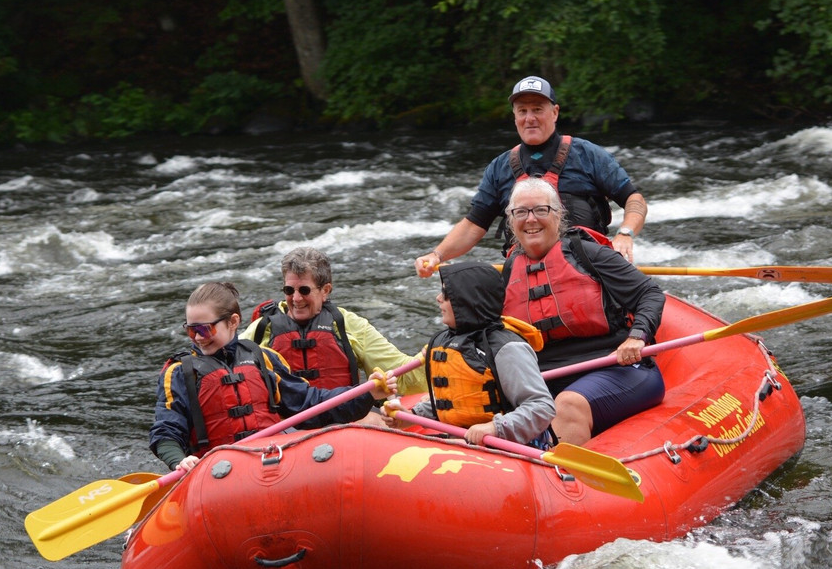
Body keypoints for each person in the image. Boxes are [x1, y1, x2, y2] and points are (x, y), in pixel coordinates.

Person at [149, 281, 397, 474]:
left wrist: (368, 393)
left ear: (233, 322)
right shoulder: (180, 372)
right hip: (217, 474)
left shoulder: (262, 358)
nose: (198, 337)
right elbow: (166, 430)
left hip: (274, 464)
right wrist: (179, 461)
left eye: (205, 329)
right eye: (191, 330)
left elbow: (311, 404)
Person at [416, 75, 647, 276]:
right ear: (514, 116)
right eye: (522, 111)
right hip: (526, 276)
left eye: (538, 109)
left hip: (588, 269)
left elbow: (634, 199)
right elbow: (474, 224)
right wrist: (438, 254)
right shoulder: (499, 167)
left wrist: (625, 234)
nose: (530, 118)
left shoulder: (588, 154)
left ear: (554, 112)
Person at [500, 177, 665, 446]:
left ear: (558, 214)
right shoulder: (510, 270)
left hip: (616, 369)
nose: (531, 219)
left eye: (541, 210)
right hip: (546, 378)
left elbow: (650, 294)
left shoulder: (588, 254)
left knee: (567, 404)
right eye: (521, 212)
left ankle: (566, 482)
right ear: (511, 219)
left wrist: (637, 335)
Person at [390, 261, 556, 448]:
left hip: (509, 446)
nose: (438, 298)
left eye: (446, 294)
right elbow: (455, 400)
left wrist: (495, 427)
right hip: (463, 441)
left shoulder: (507, 348)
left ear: (468, 300)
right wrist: (410, 416)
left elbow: (541, 406)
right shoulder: (446, 341)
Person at [241, 247, 427, 397]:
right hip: (284, 428)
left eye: (304, 290)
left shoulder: (349, 325)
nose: (296, 298)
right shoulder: (263, 328)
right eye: (289, 290)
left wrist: (430, 360)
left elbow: (402, 374)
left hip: (341, 419)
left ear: (325, 290)